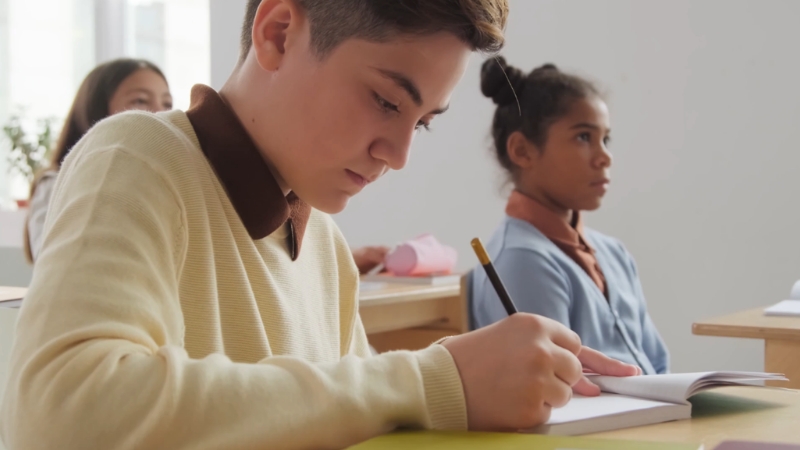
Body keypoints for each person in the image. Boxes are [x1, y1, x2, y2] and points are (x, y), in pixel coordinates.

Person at [0, 2, 640, 449]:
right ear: (277, 32)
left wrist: (460, 386)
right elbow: (63, 417)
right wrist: (433, 379)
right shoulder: (135, 156)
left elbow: (355, 410)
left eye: (420, 121)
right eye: (387, 101)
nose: (398, 153)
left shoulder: (323, 244)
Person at [470, 57, 669, 375]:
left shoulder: (613, 254)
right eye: (583, 138)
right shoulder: (523, 260)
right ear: (522, 151)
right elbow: (556, 391)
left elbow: (657, 364)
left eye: (606, 139)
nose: (604, 156)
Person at [24, 58, 173, 262]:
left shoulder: (166, 183)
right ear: (97, 110)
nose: (161, 113)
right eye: (140, 100)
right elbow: (51, 264)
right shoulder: (55, 184)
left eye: (167, 103)